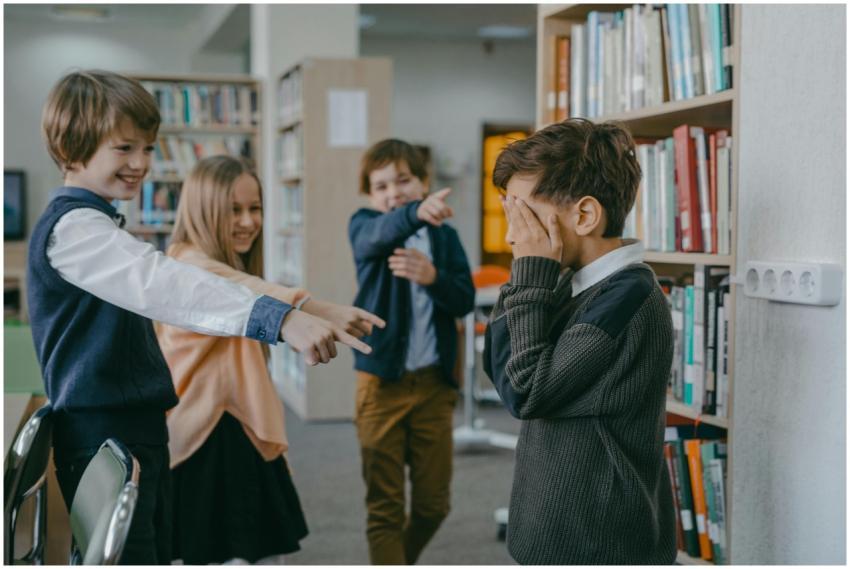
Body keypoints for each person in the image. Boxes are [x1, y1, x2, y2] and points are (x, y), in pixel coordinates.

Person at [27, 70, 371, 565]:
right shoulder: (75, 229)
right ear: (73, 144)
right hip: (105, 432)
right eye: (125, 149)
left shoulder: (96, 222)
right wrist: (281, 319)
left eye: (147, 149)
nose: (142, 163)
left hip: (129, 427)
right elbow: (165, 283)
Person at [156, 155, 384, 564]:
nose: (248, 221)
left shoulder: (213, 261)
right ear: (203, 210)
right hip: (207, 434)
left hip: (231, 423)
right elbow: (243, 290)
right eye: (233, 210)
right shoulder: (187, 264)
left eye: (254, 208)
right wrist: (315, 308)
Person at [482, 118, 677, 564]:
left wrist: (531, 272)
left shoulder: (627, 298)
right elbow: (502, 364)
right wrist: (529, 277)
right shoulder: (572, 282)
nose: (512, 235)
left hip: (596, 539)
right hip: (556, 525)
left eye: (523, 214)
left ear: (585, 215)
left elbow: (525, 391)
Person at [348, 139, 474, 564]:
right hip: (380, 386)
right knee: (384, 508)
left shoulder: (445, 237)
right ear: (370, 195)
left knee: (433, 506)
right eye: (381, 186)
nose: (394, 192)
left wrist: (434, 277)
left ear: (423, 183)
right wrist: (412, 214)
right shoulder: (366, 225)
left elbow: (463, 300)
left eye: (403, 181)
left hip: (434, 389)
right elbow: (376, 236)